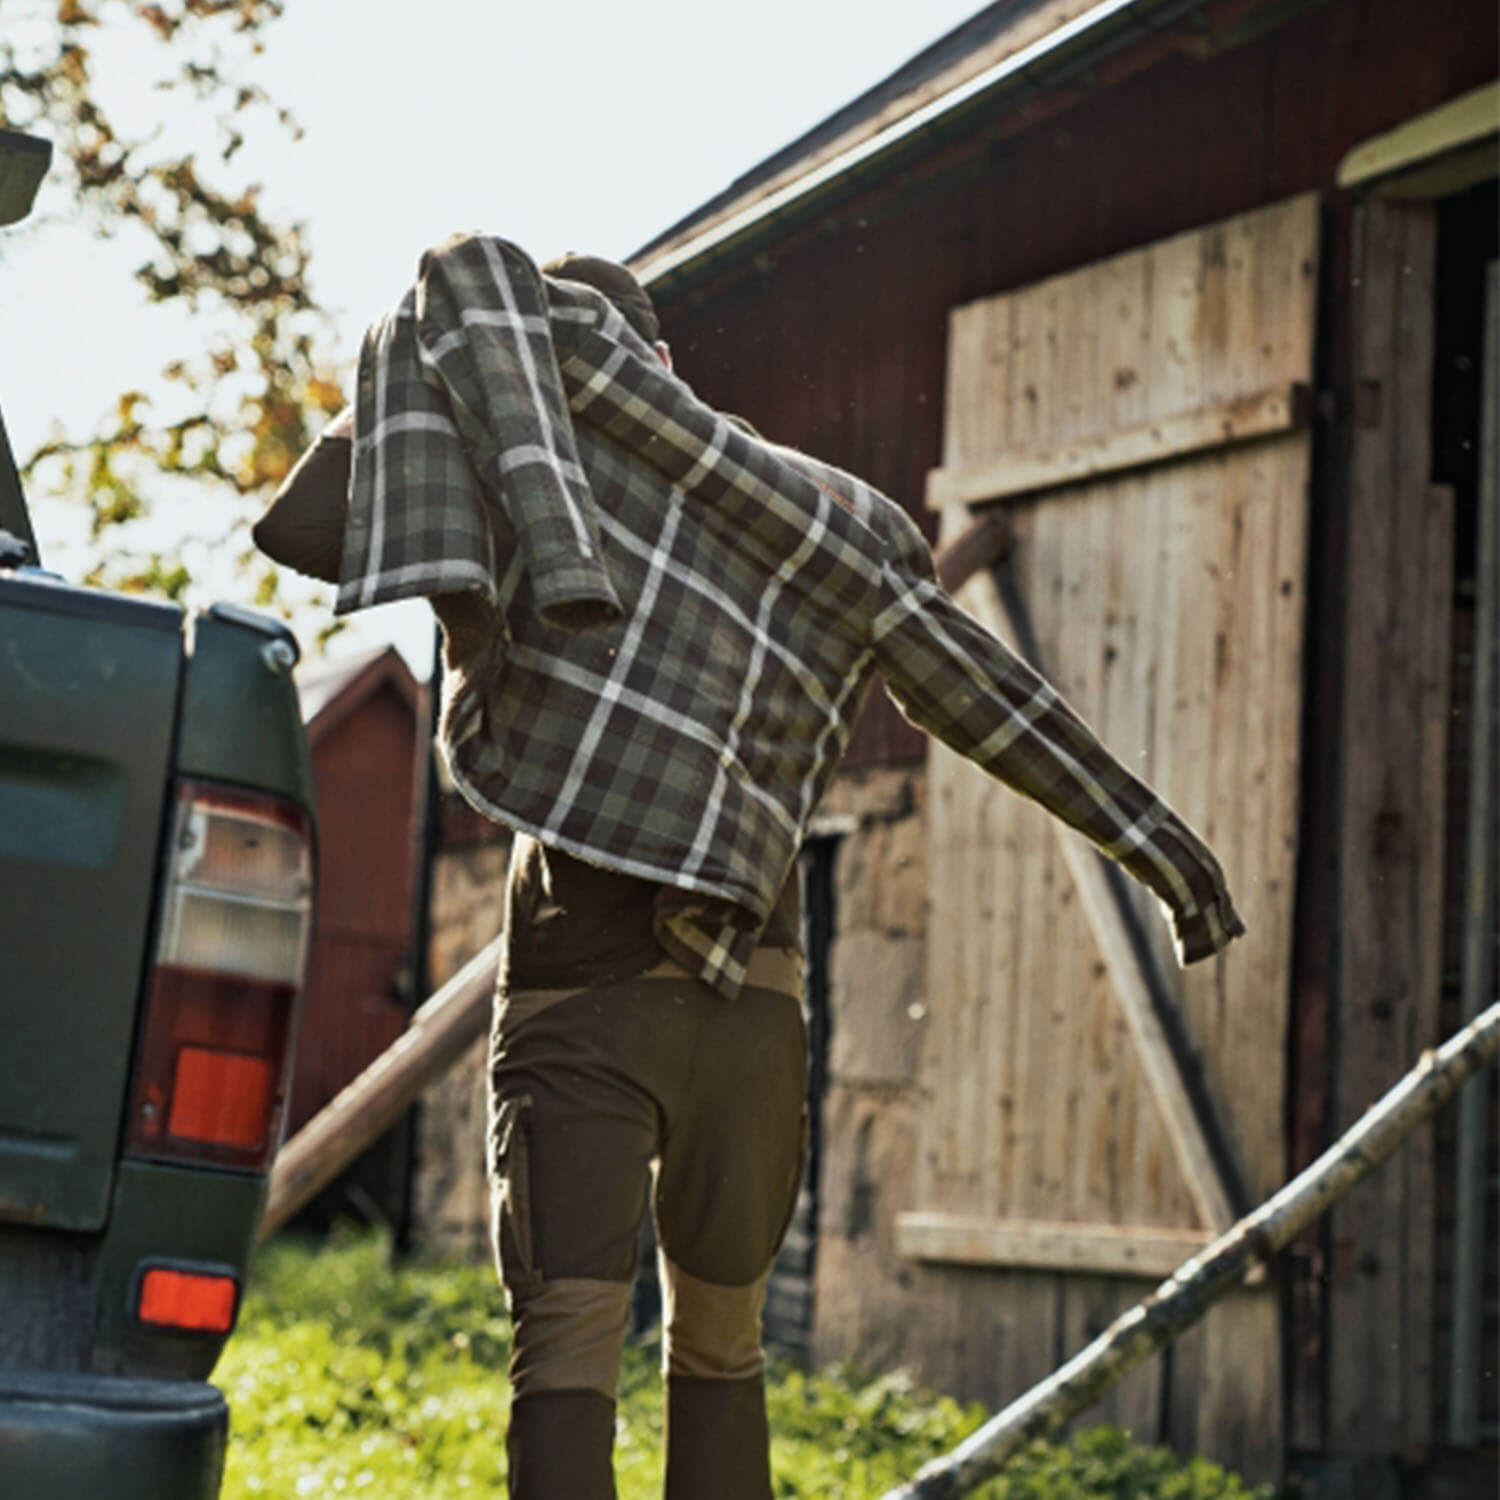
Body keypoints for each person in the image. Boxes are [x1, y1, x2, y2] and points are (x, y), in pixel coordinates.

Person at [254, 234, 1245, 1500]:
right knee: (724, 1354)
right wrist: (1156, 846)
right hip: (751, 1010)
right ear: (663, 358)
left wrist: (442, 399)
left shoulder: (520, 462)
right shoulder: (835, 520)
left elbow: (308, 522)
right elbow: (991, 703)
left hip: (580, 994)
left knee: (563, 1353)